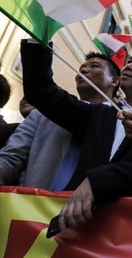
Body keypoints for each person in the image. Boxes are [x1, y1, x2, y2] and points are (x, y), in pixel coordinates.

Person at [21, 39, 132, 231]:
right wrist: (37, 40)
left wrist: (97, 181)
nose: (129, 66)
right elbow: (42, 93)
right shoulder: (99, 113)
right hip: (72, 224)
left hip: (130, 232)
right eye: (130, 61)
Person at [0, 52, 121, 189]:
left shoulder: (123, 124)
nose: (84, 70)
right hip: (33, 205)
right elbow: (12, 156)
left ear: (115, 81)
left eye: (94, 66)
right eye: (82, 68)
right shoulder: (41, 115)